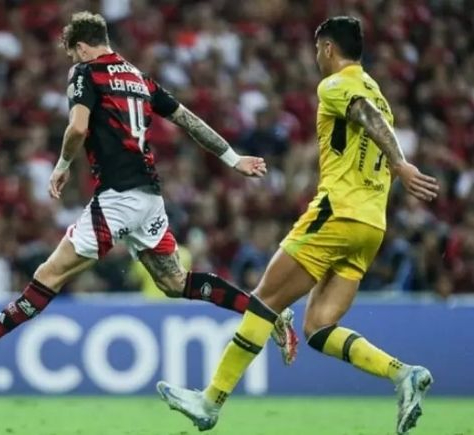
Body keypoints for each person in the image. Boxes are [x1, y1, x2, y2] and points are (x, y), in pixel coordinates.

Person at [0, 11, 297, 367]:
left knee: (49, 275)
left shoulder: (86, 72)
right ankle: (268, 313)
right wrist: (233, 158)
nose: (73, 60)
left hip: (118, 197)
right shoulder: (139, 77)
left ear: (82, 47)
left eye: (73, 53)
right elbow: (188, 120)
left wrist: (62, 165)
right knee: (175, 282)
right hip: (149, 196)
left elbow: (77, 127)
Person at [156, 17, 440, 435]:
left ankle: (210, 401)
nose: (315, 57)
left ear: (327, 48)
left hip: (337, 212)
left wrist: (400, 163)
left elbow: (362, 115)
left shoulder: (336, 85)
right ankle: (403, 374)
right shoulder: (381, 96)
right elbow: (371, 122)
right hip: (371, 226)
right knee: (318, 327)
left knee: (264, 301)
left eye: (317, 49)